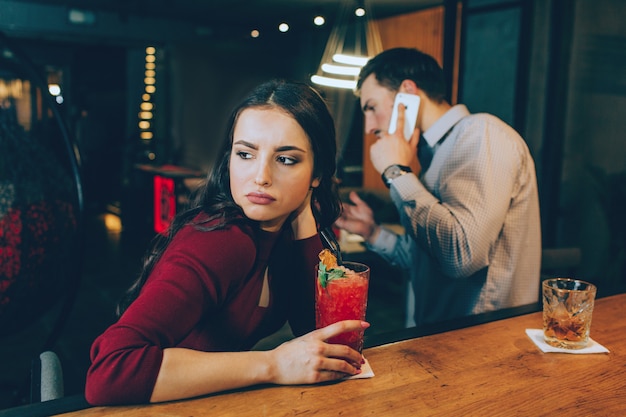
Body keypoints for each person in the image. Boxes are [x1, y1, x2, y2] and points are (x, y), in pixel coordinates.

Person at [85, 80, 368, 405]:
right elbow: (109, 372)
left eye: (286, 160)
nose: (261, 176)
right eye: (245, 154)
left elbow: (324, 337)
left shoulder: (279, 233)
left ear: (317, 172)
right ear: (229, 159)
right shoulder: (223, 239)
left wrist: (305, 218)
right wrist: (273, 365)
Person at [335, 48, 541, 327]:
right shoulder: (435, 155)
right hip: (445, 341)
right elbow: (428, 263)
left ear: (407, 93)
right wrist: (372, 233)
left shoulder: (481, 133)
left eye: (371, 107)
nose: (368, 127)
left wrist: (396, 172)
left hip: (482, 344)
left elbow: (462, 256)